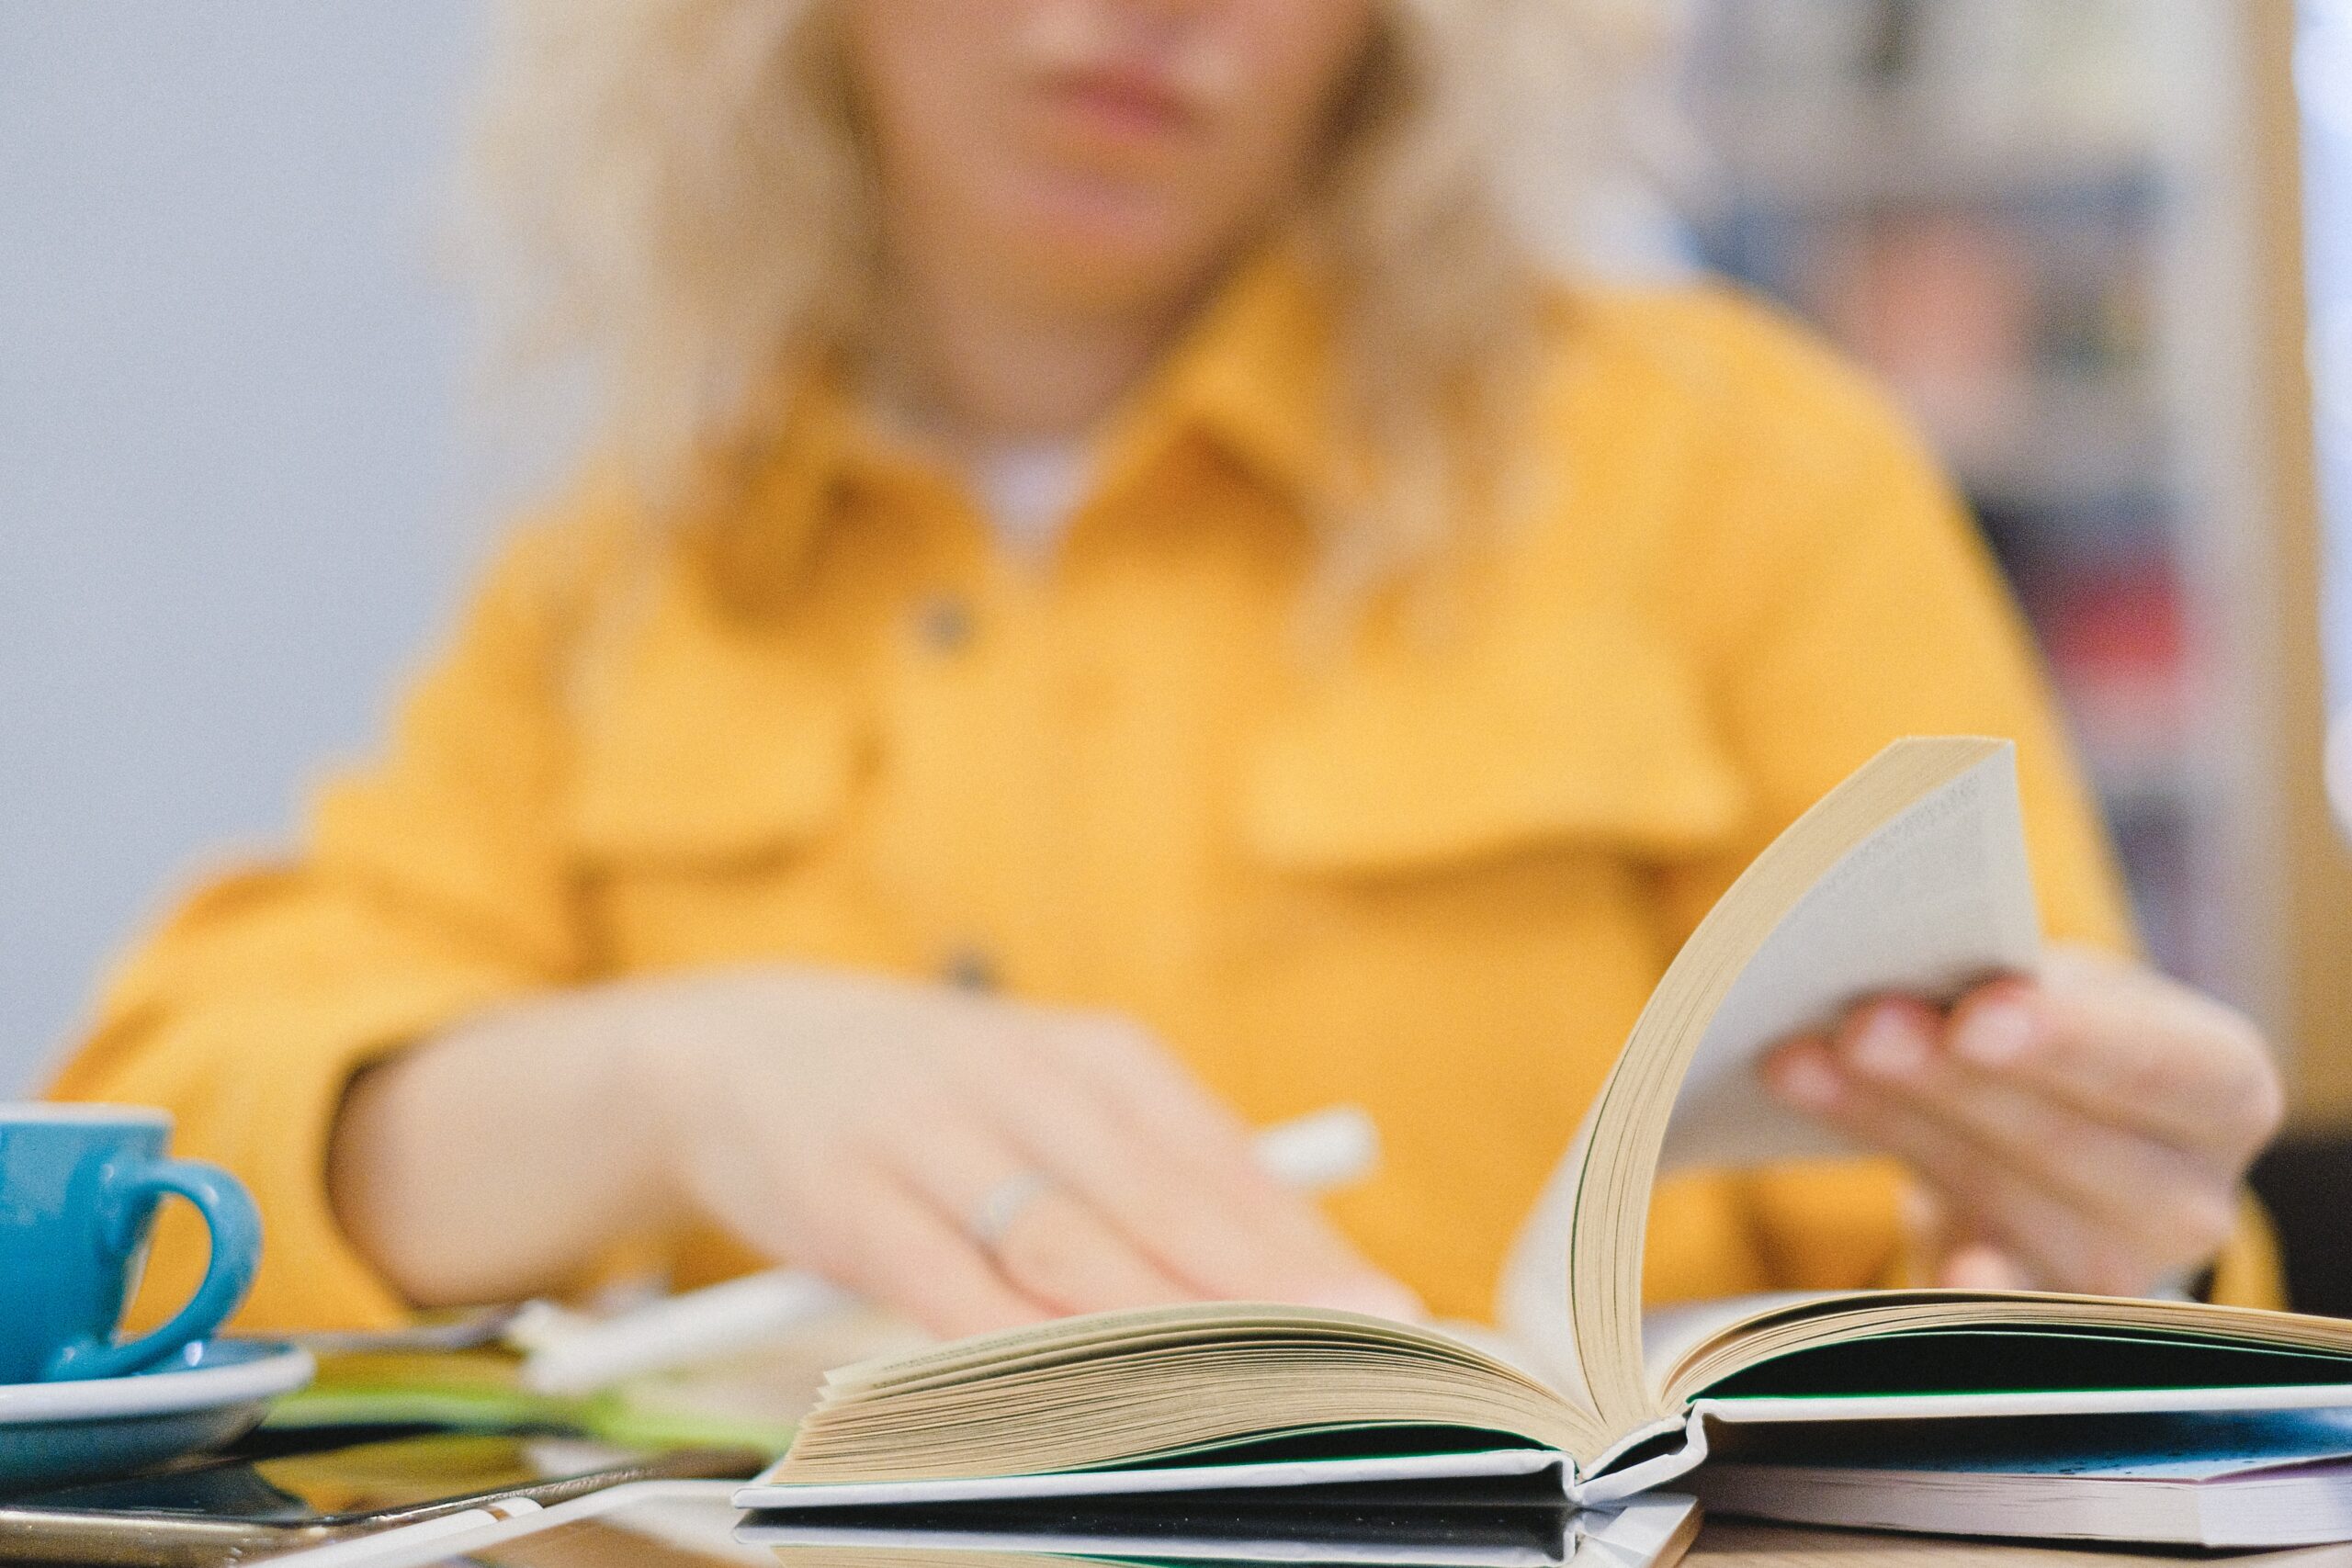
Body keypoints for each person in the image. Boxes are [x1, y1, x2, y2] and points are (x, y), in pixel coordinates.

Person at [54, 0, 2284, 1340]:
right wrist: (687, 1068)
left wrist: (2104, 1269)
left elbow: (2109, 1254)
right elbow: (176, 1143)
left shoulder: (1740, 476)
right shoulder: (626, 571)